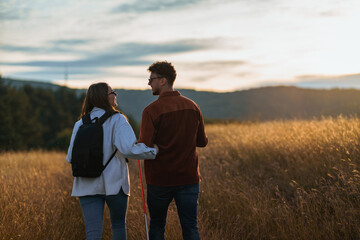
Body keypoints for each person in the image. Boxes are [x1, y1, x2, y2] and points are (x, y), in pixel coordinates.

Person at [66, 82, 158, 240]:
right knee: (118, 225)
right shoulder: (118, 119)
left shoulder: (80, 123)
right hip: (115, 184)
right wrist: (153, 151)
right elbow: (129, 149)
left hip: (86, 184)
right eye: (112, 92)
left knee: (92, 233)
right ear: (104, 97)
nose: (115, 95)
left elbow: (70, 157)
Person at [138, 61, 208, 240]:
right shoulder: (193, 107)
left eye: (151, 79)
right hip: (189, 178)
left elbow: (144, 146)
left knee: (157, 225)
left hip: (160, 180)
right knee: (191, 227)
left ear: (163, 81)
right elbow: (202, 142)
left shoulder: (151, 111)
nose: (149, 83)